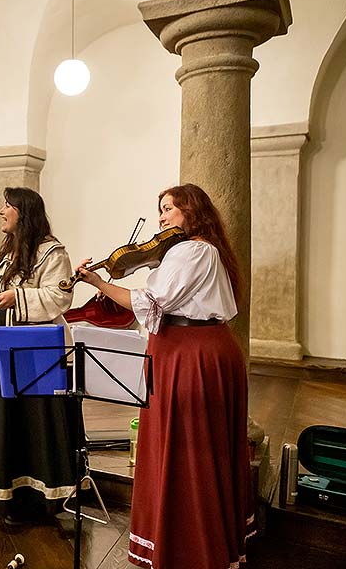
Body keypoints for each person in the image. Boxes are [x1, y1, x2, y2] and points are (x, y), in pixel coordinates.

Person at [74, 183, 254, 568]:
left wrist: (100, 283)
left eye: (169, 208)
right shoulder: (197, 251)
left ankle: (191, 547)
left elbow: (151, 301)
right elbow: (152, 303)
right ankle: (200, 539)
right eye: (159, 210)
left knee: (188, 449)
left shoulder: (193, 250)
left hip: (191, 354)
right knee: (199, 447)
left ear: (192, 211)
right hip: (195, 349)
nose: (161, 218)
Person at [0, 187, 78, 523]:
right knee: (3, 417)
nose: (1, 211)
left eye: (8, 206)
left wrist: (18, 298)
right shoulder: (11, 251)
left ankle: (34, 498)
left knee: (32, 421)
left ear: (24, 212)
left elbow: (59, 298)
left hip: (34, 348)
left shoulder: (52, 252)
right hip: (2, 343)